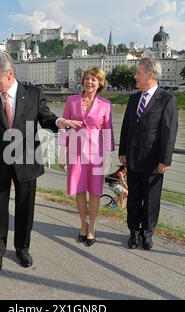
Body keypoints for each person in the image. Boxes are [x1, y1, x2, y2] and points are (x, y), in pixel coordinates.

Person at [0, 51, 81, 272]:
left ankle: (22, 248)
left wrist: (60, 122)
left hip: (27, 160)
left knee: (25, 208)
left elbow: (46, 117)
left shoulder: (33, 93)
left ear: (9, 73)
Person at [119, 58, 178, 250]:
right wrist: (123, 151)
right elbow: (126, 126)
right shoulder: (134, 98)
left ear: (150, 75)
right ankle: (133, 232)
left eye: (138, 72)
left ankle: (147, 233)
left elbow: (169, 131)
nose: (135, 76)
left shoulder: (167, 100)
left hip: (154, 162)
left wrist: (165, 159)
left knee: (152, 201)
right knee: (134, 199)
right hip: (133, 159)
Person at [59, 67, 115, 247]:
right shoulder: (71, 100)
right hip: (75, 151)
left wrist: (108, 155)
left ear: (100, 84)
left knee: (95, 190)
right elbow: (62, 126)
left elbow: (108, 131)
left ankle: (92, 226)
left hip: (96, 154)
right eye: (87, 78)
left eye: (94, 79)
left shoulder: (105, 104)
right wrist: (61, 152)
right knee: (79, 189)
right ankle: (82, 224)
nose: (90, 82)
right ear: (82, 81)